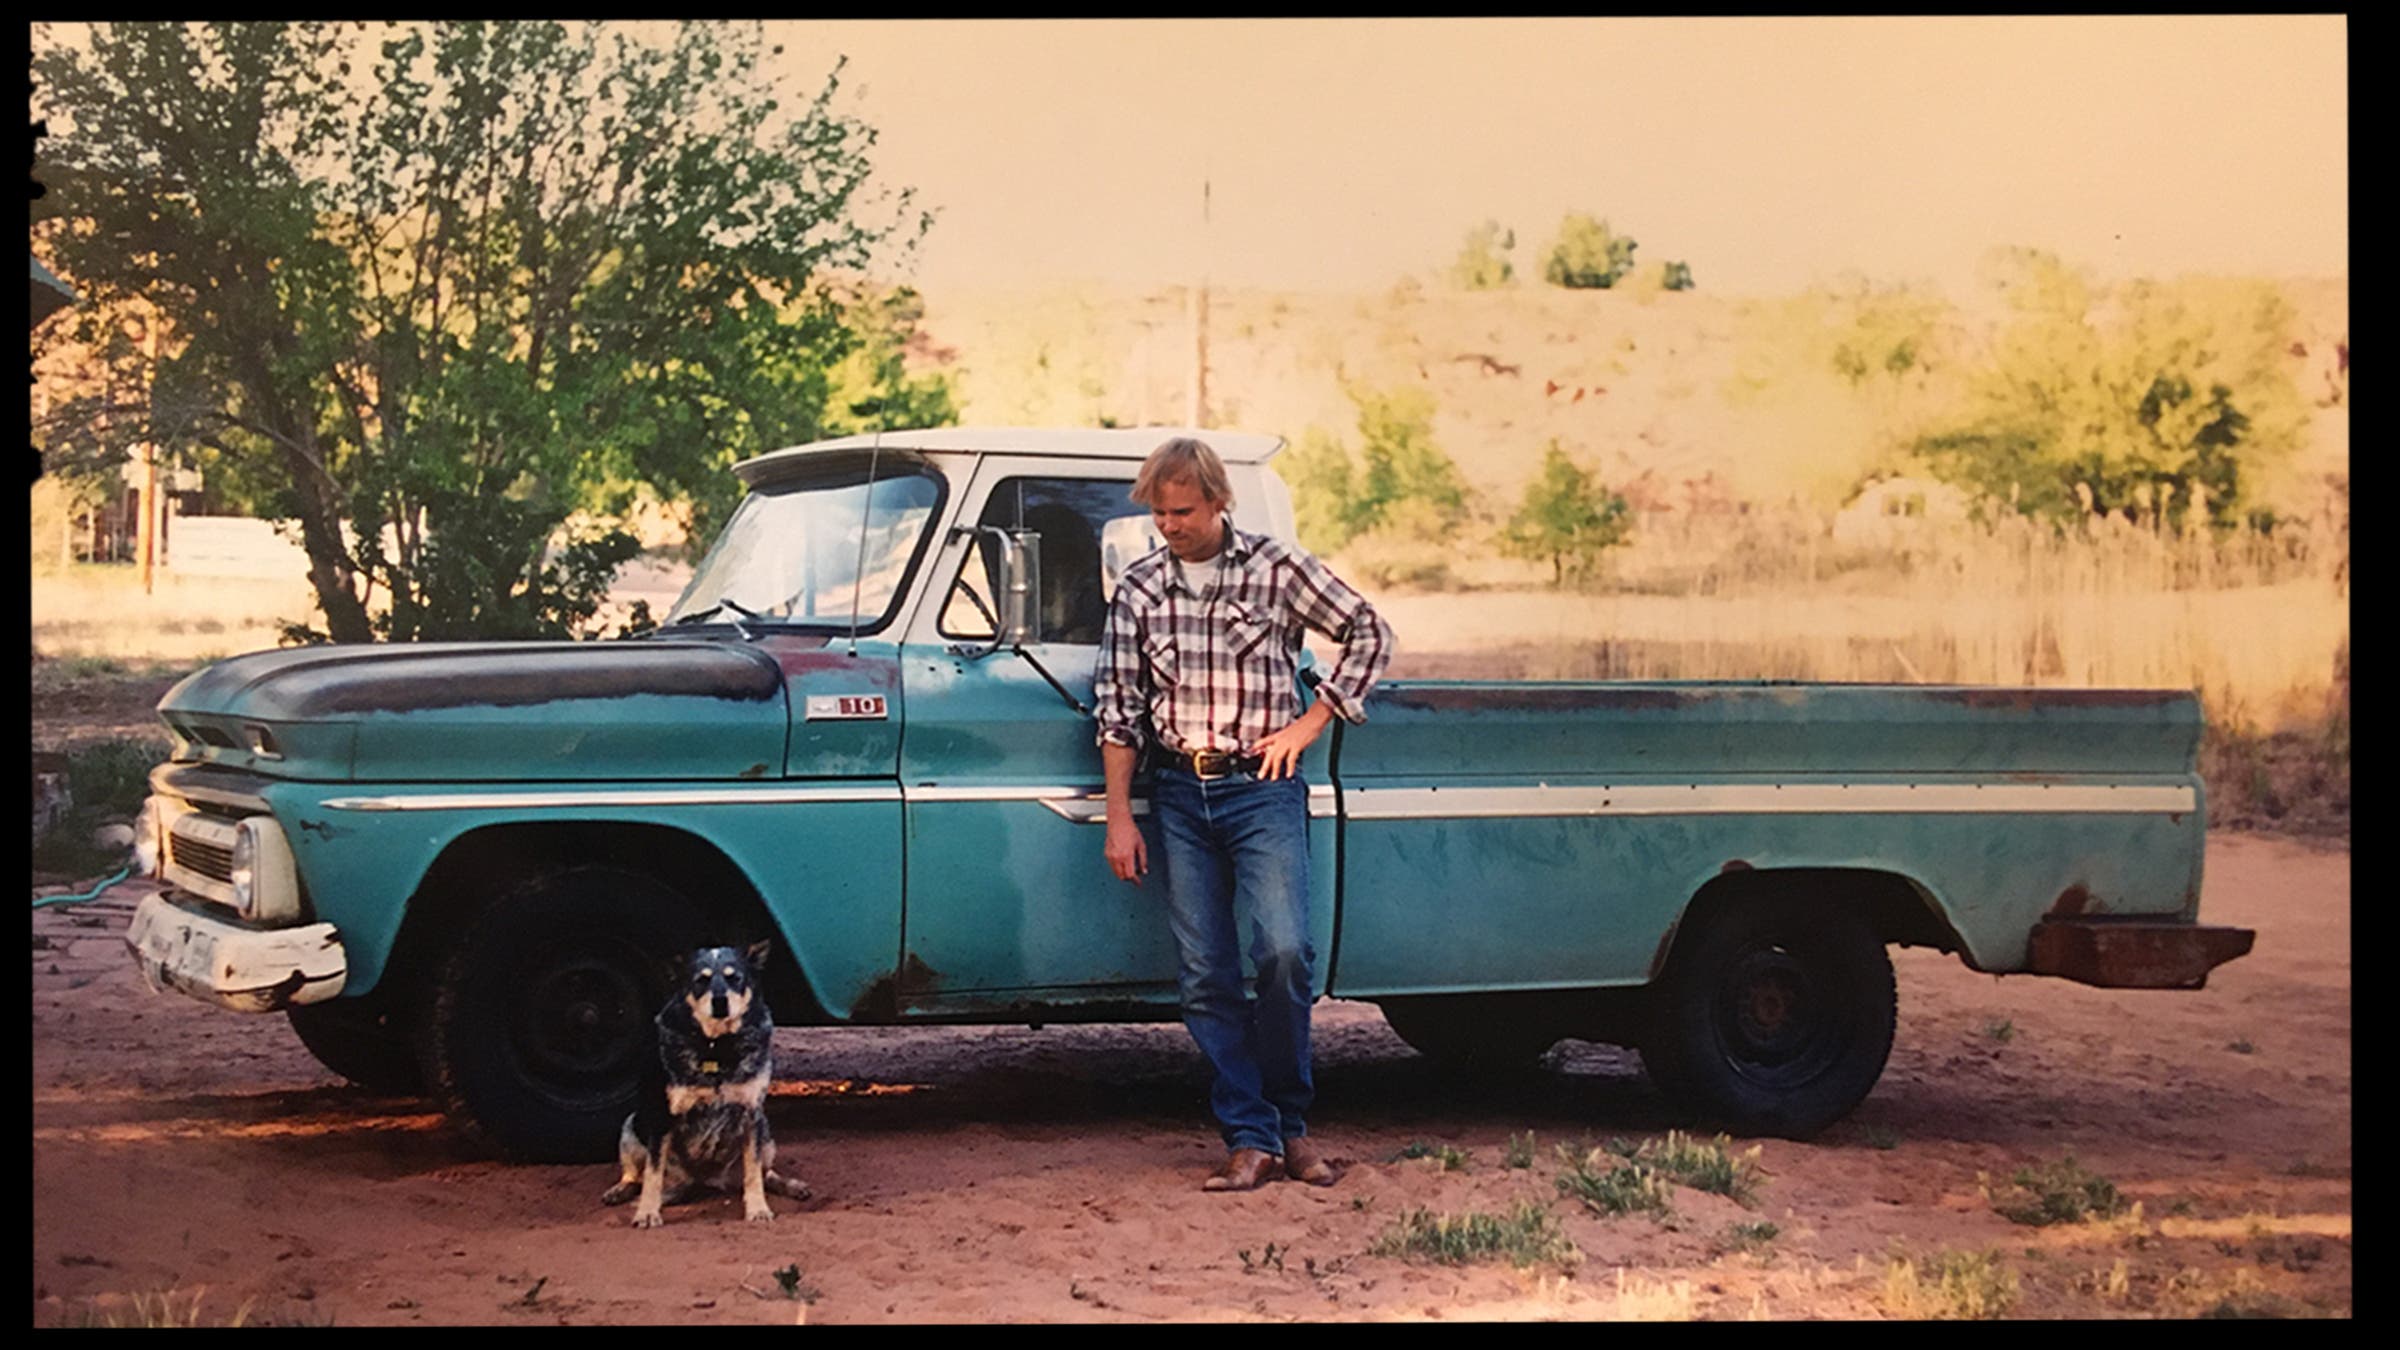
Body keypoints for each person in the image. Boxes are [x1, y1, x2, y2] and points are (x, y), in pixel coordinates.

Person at [1092, 436, 1394, 1192]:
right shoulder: (1138, 590)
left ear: (1220, 502)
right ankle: (1249, 1135)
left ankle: (1292, 1125)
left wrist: (1309, 723)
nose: (1169, 525)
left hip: (1261, 786)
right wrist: (1120, 817)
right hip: (1177, 793)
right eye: (1158, 513)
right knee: (1204, 974)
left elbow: (1369, 631)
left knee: (1285, 953)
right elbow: (1118, 710)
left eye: (1183, 511)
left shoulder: (1276, 568)